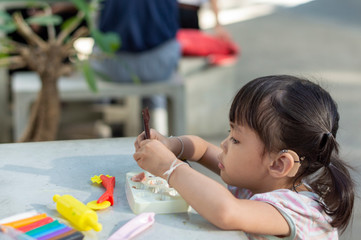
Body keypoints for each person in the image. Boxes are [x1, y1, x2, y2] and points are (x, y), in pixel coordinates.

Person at [133, 75, 355, 239]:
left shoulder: (298, 210)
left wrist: (169, 168)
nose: (224, 143)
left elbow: (226, 212)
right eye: (229, 132)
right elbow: (200, 149)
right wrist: (172, 145)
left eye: (236, 139)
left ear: (278, 164)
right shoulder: (260, 177)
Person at [91, 0, 181, 135]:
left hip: (114, 67)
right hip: (158, 66)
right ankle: (155, 125)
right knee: (168, 45)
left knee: (98, 49)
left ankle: (108, 115)